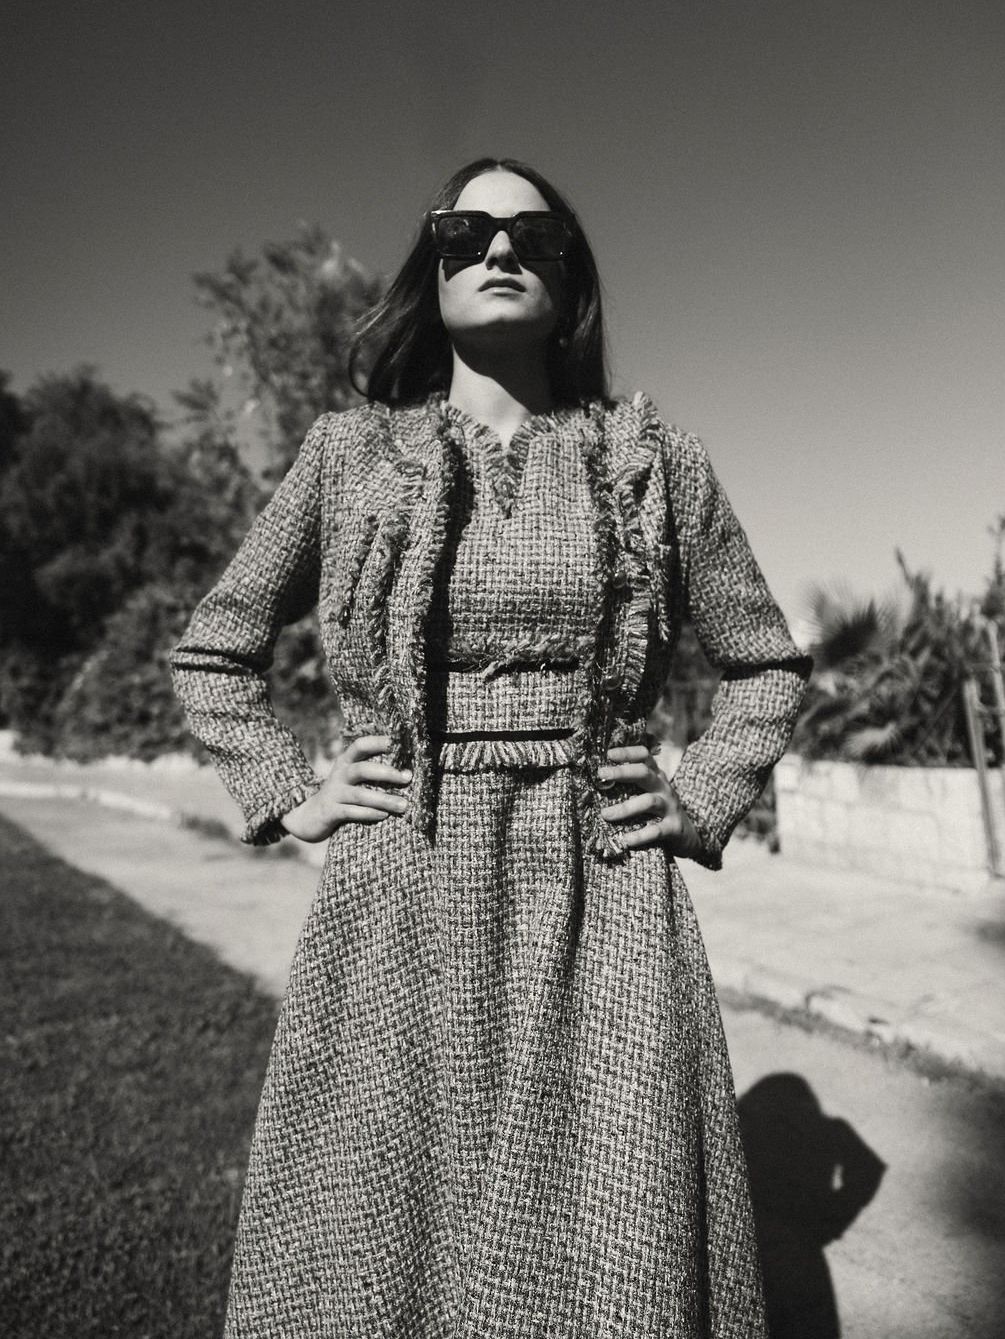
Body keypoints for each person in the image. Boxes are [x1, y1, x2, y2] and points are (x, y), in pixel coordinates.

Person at [171, 156, 811, 1339]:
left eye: (533, 232)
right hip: (399, 877)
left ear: (569, 278)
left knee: (608, 1242)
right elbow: (215, 645)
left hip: (605, 882)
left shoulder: (652, 458)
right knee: (380, 1238)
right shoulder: (347, 455)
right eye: (467, 231)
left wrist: (700, 793)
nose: (500, 249)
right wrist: (288, 790)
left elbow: (767, 661)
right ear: (435, 269)